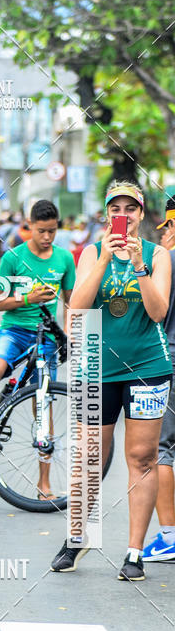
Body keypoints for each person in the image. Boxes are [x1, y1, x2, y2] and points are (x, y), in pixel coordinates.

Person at [51, 181, 172, 580]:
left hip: (147, 367)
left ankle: (134, 552)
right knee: (89, 456)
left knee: (141, 457)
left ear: (142, 214)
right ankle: (77, 536)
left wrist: (138, 266)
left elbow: (158, 312)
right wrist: (104, 259)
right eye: (116, 208)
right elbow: (77, 311)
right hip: (94, 367)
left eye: (131, 209)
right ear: (107, 215)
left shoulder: (158, 255)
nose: (124, 215)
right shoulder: (89, 252)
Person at [0, 200, 75, 500]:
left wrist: (71, 333)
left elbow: (71, 302)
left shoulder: (64, 259)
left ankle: (45, 485)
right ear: (29, 226)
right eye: (41, 231)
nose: (47, 237)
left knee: (44, 401)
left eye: (52, 231)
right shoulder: (14, 257)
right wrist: (28, 298)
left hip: (46, 336)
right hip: (13, 330)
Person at [142, 197, 175, 562]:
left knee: (161, 450)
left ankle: (169, 535)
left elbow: (156, 313)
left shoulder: (166, 261)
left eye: (167, 227)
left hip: (169, 359)